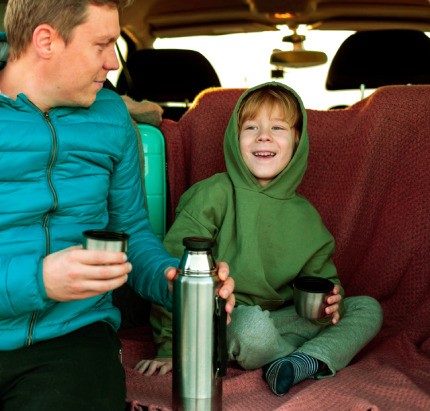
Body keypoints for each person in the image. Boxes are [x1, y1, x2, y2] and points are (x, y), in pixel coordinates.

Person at [0, 1, 234, 410]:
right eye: (103, 44)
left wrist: (176, 284)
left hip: (72, 336)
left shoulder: (112, 117)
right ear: (46, 41)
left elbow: (133, 236)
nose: (113, 62)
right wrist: (38, 280)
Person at [137, 82, 383, 396]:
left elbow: (323, 282)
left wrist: (332, 301)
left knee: (366, 308)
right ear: (234, 138)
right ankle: (308, 356)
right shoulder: (212, 194)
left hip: (285, 319)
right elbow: (175, 273)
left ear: (297, 140)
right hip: (225, 320)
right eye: (251, 127)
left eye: (277, 127)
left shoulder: (306, 217)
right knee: (252, 327)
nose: (263, 136)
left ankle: (300, 360)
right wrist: (172, 347)